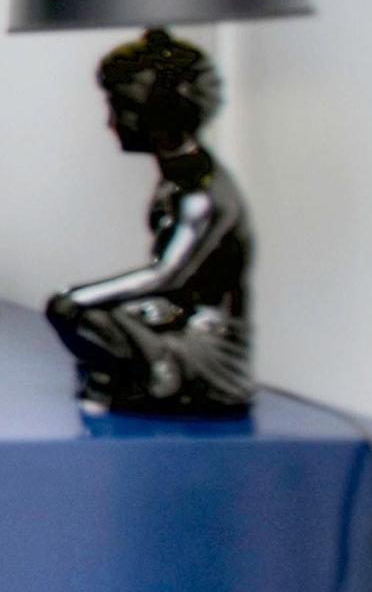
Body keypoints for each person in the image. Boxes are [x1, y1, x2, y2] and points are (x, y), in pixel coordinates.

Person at [46, 28, 255, 414]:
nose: (110, 121)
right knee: (94, 313)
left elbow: (167, 274)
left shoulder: (199, 190)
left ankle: (162, 373)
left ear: (153, 113)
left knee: (72, 311)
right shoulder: (178, 178)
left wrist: (74, 298)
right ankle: (146, 371)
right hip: (175, 316)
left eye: (117, 107)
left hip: (208, 343)